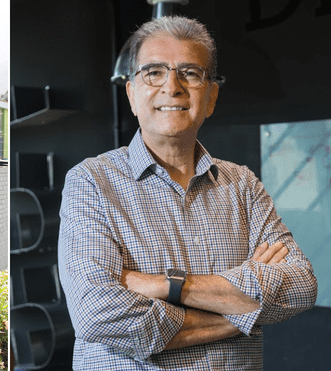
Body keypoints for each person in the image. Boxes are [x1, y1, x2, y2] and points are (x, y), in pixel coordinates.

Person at [58, 16, 317, 370]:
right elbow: (97, 314)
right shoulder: (91, 182)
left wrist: (167, 286)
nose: (172, 87)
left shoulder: (242, 184)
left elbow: (301, 286)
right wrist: (237, 317)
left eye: (190, 73)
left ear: (211, 97)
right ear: (132, 95)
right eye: (153, 72)